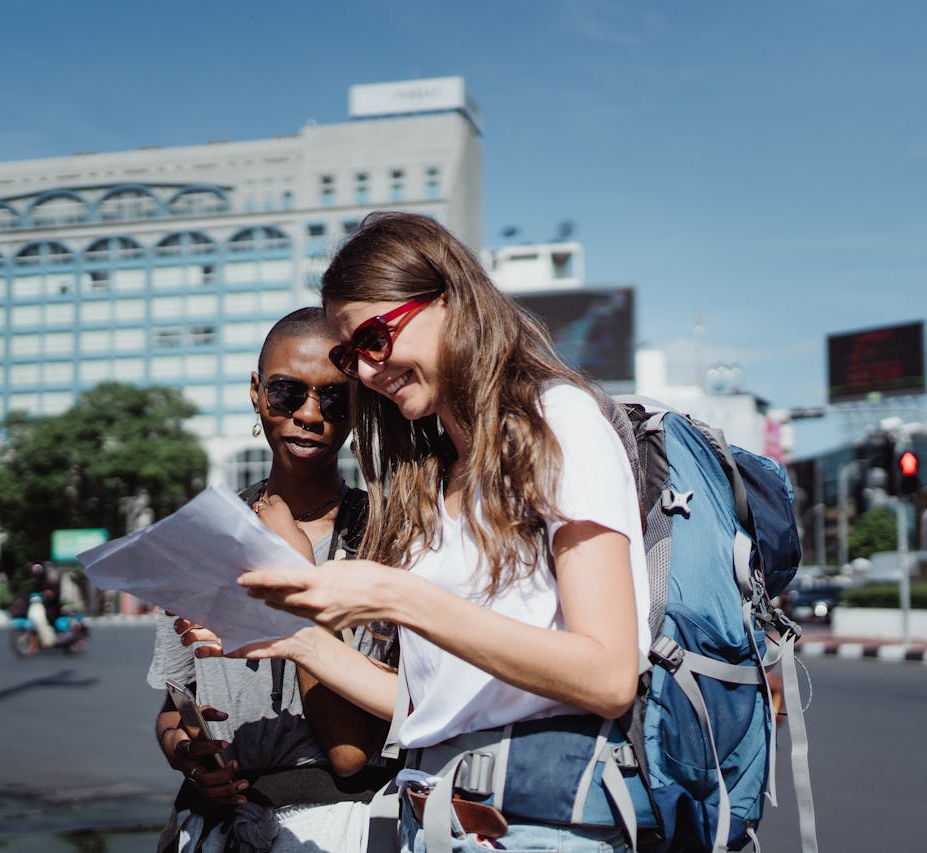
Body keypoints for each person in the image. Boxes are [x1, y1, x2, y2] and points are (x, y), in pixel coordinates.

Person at [184, 212, 651, 853]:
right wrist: (294, 638)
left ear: (452, 303)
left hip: (545, 822)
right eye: (353, 355)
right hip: (431, 817)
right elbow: (433, 705)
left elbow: (607, 674)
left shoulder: (557, 422)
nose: (370, 372)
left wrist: (398, 597)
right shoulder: (431, 478)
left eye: (376, 337)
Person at [149, 307, 397, 853]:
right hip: (212, 829)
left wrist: (295, 570)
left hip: (338, 825)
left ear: (358, 409)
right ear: (258, 393)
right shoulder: (203, 539)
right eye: (288, 392)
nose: (310, 414)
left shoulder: (389, 539)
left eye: (334, 397)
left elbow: (350, 752)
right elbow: (174, 707)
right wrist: (188, 756)